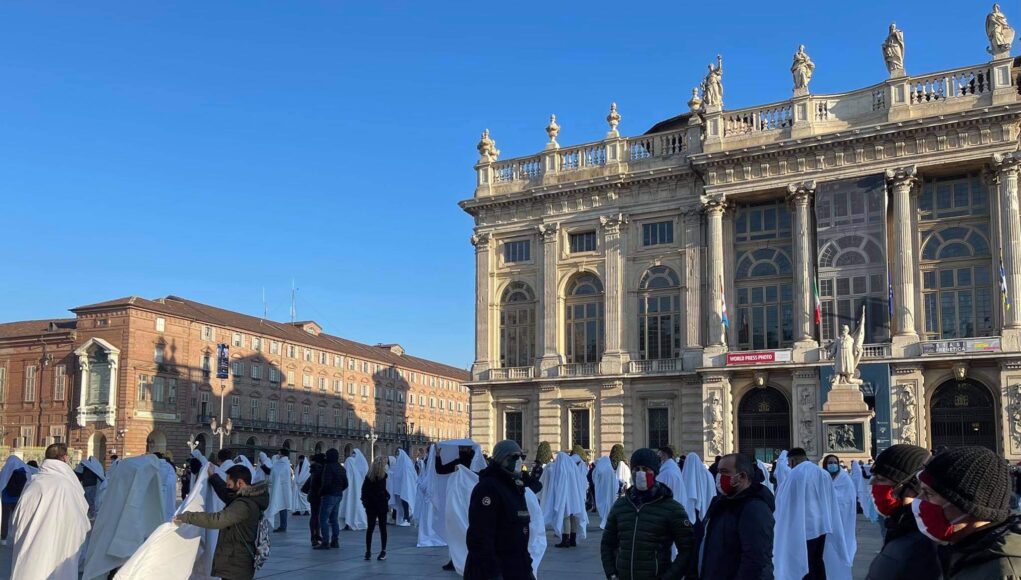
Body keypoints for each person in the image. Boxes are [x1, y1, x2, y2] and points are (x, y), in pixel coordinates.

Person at [916, 446, 1021, 578]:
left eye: (928, 493)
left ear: (967, 504)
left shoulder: (1001, 572)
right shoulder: (963, 552)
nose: (919, 499)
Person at [601, 449, 694, 580]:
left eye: (645, 469)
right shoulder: (620, 506)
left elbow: (687, 549)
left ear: (655, 472)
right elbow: (607, 544)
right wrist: (611, 573)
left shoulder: (672, 509)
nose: (640, 473)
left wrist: (669, 577)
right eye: (636, 469)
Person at [175, 464, 269, 580]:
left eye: (229, 484)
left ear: (239, 483)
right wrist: (213, 477)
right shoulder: (248, 497)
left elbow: (217, 520)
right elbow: (225, 492)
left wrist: (187, 517)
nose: (228, 487)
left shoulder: (243, 505)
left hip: (237, 564)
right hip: (238, 561)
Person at [11, 443, 91, 580]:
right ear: (65, 458)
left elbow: (17, 519)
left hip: (30, 548)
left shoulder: (33, 483)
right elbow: (81, 523)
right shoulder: (68, 486)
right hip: (59, 549)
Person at [465, 440, 540, 580]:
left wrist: (527, 568)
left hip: (517, 566)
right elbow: (480, 536)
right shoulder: (488, 488)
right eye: (513, 457)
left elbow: (520, 533)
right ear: (501, 459)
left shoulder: (515, 487)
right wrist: (493, 573)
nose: (518, 461)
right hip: (496, 571)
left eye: (521, 457)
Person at [864, 444, 940, 580]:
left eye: (881, 479)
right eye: (873, 477)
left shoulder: (924, 541)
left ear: (911, 485)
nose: (873, 484)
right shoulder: (899, 524)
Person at [694, 453, 775, 580]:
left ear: (742, 476)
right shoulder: (720, 503)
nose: (719, 477)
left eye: (724, 472)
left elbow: (755, 561)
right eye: (718, 471)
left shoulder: (755, 509)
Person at [773, 455, 852, 580]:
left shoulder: (794, 475)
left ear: (793, 460)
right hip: (821, 525)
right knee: (817, 559)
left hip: (802, 525)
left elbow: (784, 501)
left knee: (804, 558)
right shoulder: (823, 474)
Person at [823, 454, 858, 569]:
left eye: (834, 462)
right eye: (830, 463)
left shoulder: (845, 479)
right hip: (826, 518)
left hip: (843, 516)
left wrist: (833, 498)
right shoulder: (823, 477)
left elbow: (849, 498)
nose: (832, 465)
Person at [315, 448, 349, 550]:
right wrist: (339, 490)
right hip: (338, 495)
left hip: (329, 495)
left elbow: (326, 483)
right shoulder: (341, 468)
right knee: (334, 519)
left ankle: (325, 542)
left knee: (323, 519)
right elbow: (346, 483)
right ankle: (335, 541)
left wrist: (320, 493)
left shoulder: (328, 467)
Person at [362, 456, 390, 561]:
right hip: (381, 505)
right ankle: (383, 551)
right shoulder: (383, 477)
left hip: (371, 506)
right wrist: (387, 496)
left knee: (370, 529)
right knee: (383, 529)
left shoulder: (368, 477)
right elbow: (382, 490)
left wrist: (365, 502)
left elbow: (364, 491)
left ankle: (368, 551)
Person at [0, 456, 31, 546]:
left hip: (6, 498)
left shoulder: (7, 467)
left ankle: (3, 539)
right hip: (18, 498)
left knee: (5, 519)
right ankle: (17, 537)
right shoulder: (24, 469)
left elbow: (2, 481)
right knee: (17, 518)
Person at [262, 449, 294, 533]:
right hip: (279, 488)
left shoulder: (283, 464)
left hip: (281, 489)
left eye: (279, 453)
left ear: (282, 454)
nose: (277, 455)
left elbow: (277, 474)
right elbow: (273, 473)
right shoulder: (281, 464)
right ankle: (283, 526)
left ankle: (283, 526)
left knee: (282, 506)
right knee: (281, 506)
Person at [304, 453, 325, 547]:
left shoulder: (314, 468)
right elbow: (315, 483)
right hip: (317, 496)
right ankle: (314, 536)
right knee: (316, 516)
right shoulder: (319, 469)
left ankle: (316, 534)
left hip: (314, 495)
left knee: (315, 516)